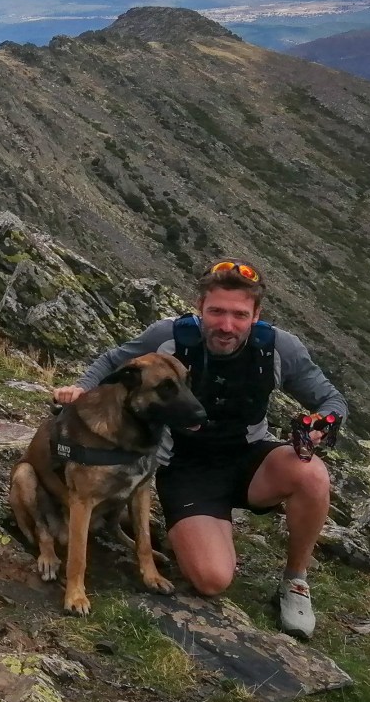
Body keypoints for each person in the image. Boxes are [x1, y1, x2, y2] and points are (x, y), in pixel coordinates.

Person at [53, 259, 347, 639]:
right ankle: (197, 531)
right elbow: (114, 360)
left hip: (251, 459)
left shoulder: (279, 348)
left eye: (239, 315)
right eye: (217, 312)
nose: (226, 325)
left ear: (256, 314)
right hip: (186, 470)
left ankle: (295, 581)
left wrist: (324, 423)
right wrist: (80, 389)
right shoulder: (169, 337)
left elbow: (330, 399)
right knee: (211, 580)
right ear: (200, 308)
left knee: (312, 474)